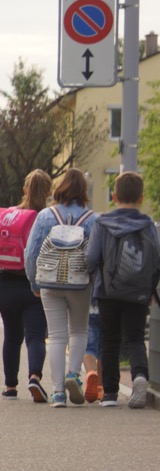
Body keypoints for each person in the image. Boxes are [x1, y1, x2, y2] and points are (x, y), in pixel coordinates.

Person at [84, 170, 159, 408]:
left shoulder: (102, 223)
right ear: (141, 198)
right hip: (138, 292)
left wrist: (95, 277)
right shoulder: (148, 225)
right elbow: (156, 259)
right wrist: (150, 289)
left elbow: (91, 258)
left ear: (114, 197)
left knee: (109, 339)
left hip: (107, 291)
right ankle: (139, 376)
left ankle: (110, 394)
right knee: (135, 338)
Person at [26, 169, 98, 408]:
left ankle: (58, 393)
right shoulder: (93, 219)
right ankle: (73, 374)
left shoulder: (45, 216)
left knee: (56, 336)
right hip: (80, 283)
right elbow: (96, 256)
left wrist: (34, 283)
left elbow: (31, 253)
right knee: (78, 331)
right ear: (84, 191)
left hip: (49, 281)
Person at [0, 169, 52, 400]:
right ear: (48, 191)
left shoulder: (8, 217)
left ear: (24, 190)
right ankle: (35, 377)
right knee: (35, 336)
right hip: (36, 285)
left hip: (7, 285)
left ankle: (10, 386)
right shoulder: (47, 218)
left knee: (12, 337)